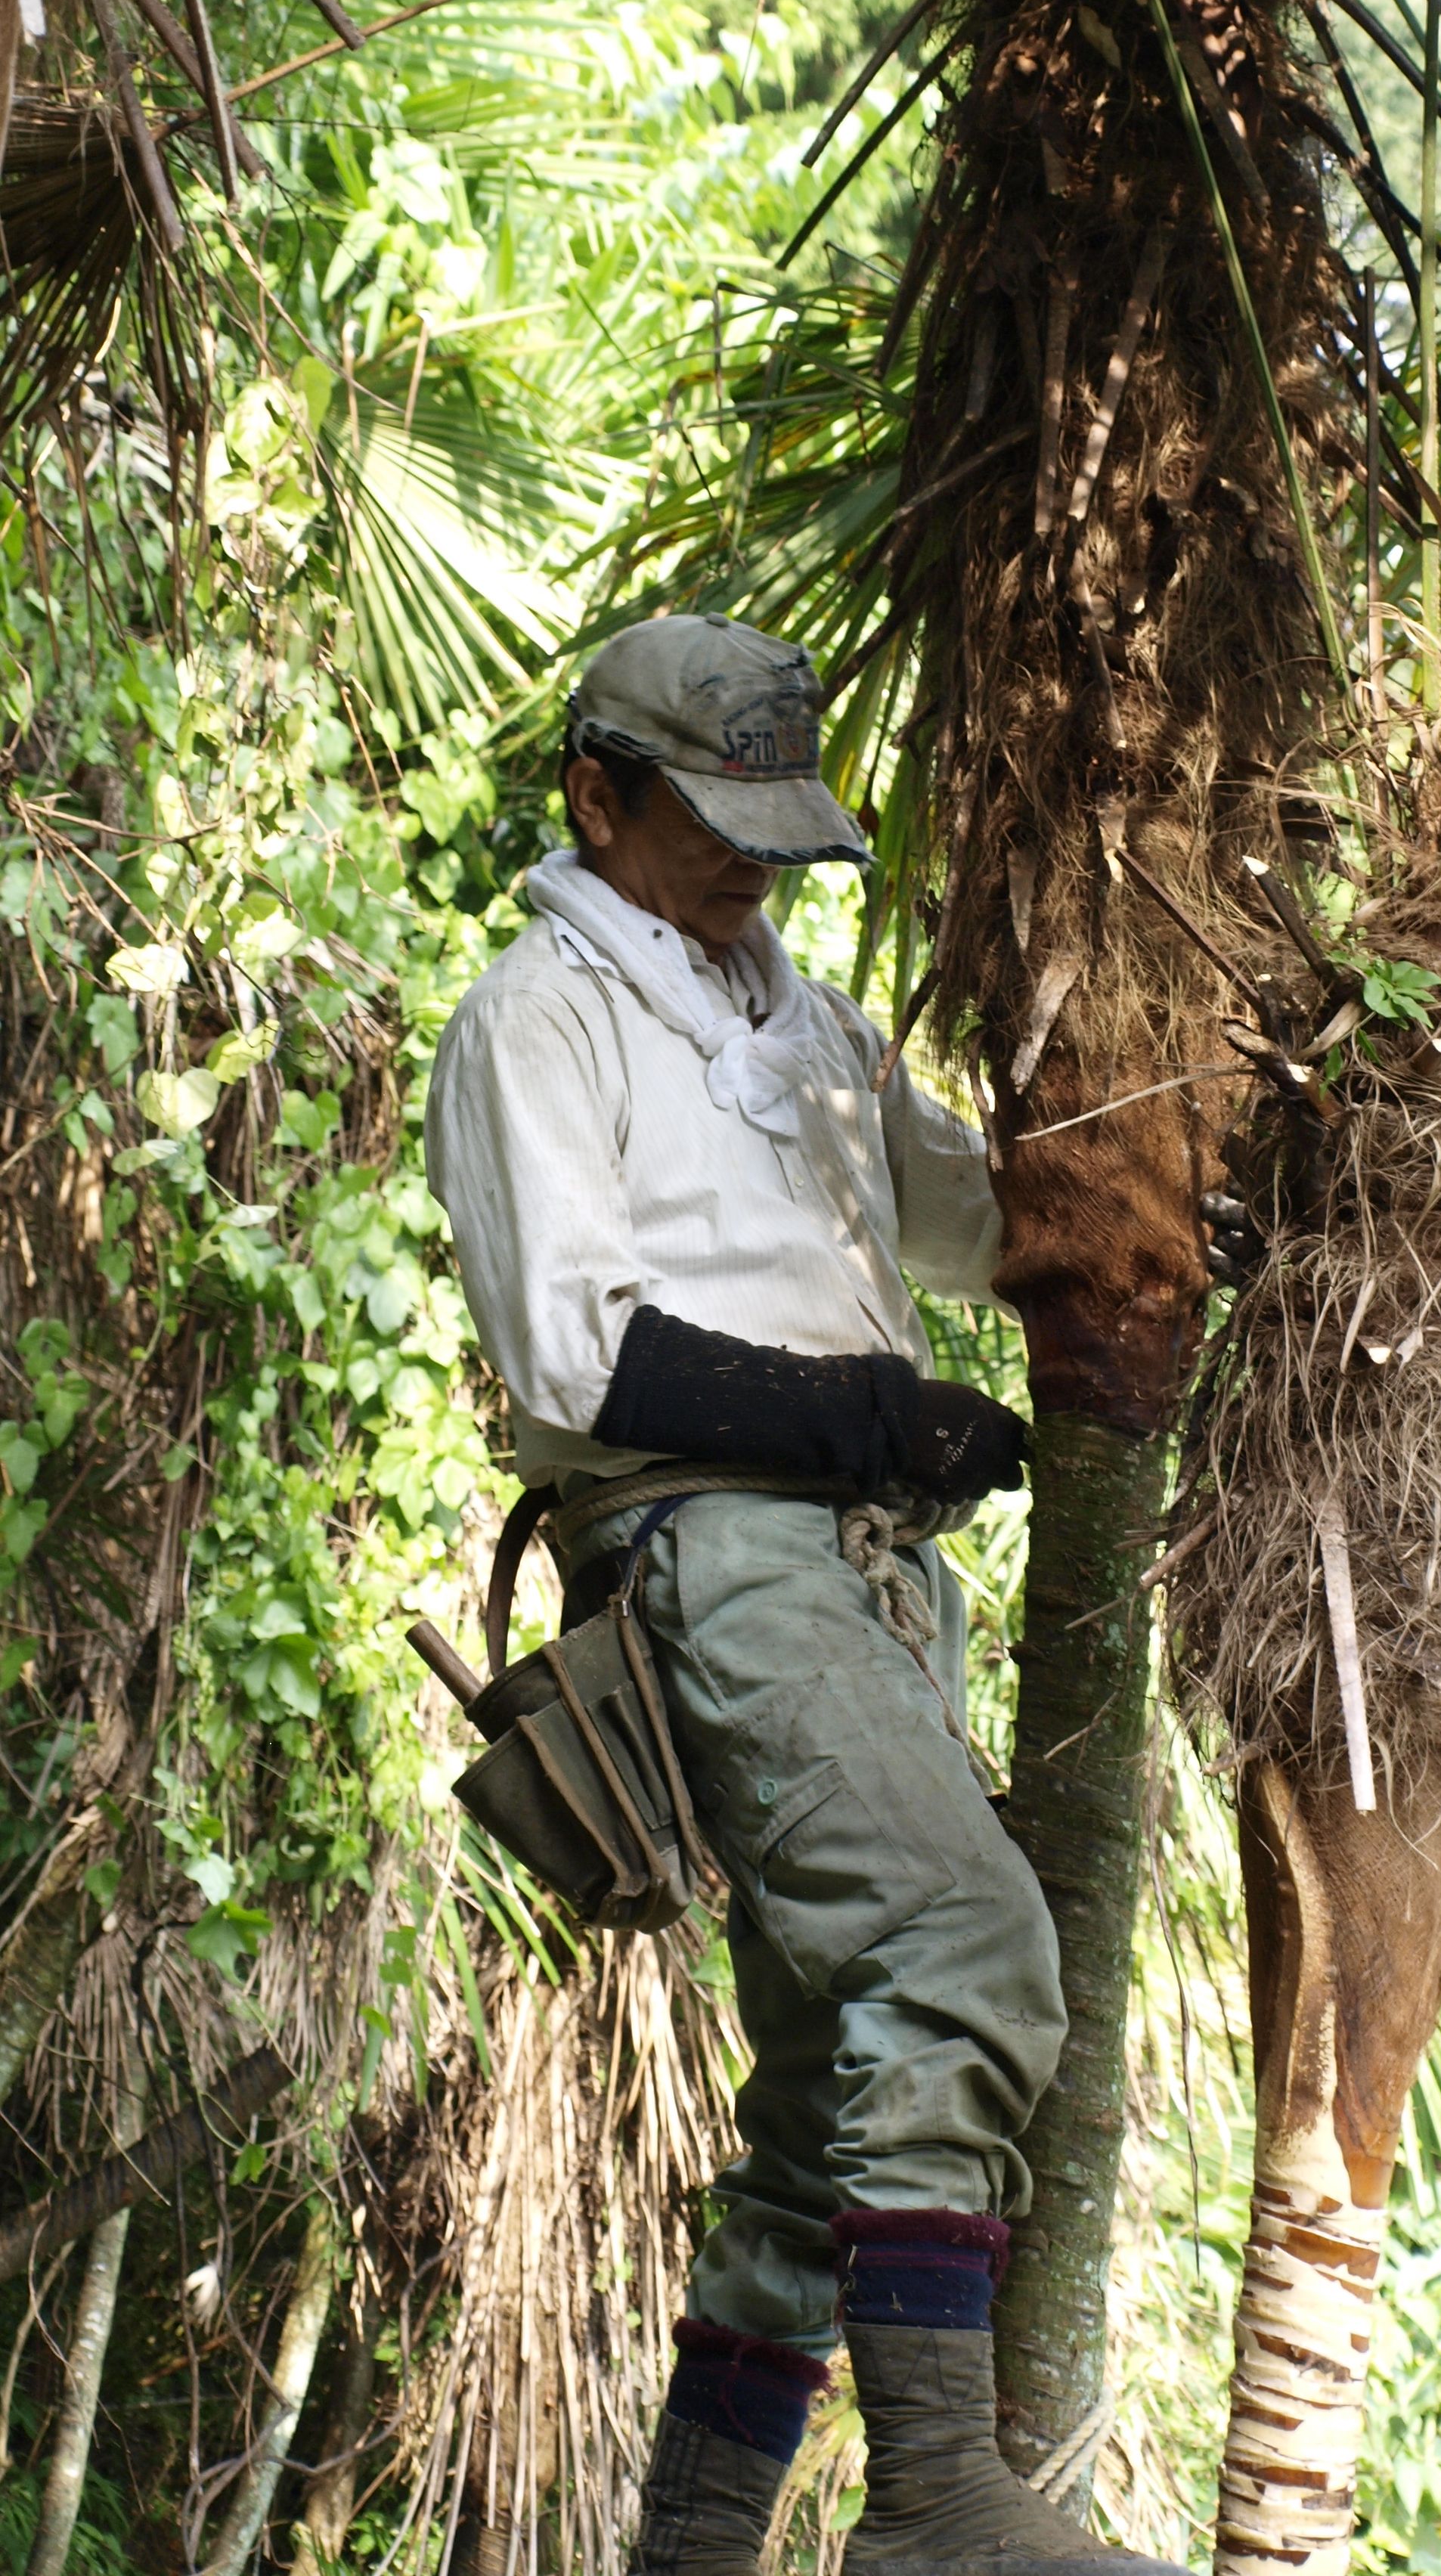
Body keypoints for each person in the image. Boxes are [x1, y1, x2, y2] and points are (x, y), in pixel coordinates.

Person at [426, 616, 1180, 2576]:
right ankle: (931, 2502)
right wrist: (866, 1418)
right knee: (962, 1939)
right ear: (600, 795)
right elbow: (572, 1359)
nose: (753, 861)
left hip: (861, 1569)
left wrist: (1165, 1180)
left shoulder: (809, 1024)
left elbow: (966, 1220)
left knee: (819, 2091)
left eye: (778, 824)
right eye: (713, 819)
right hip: (715, 1551)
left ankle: (691, 2547)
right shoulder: (540, 1016)